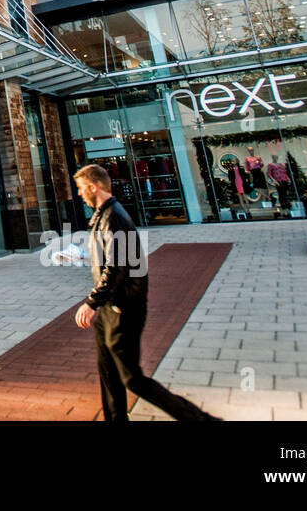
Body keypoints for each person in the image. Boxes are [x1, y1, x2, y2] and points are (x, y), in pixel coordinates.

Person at [72, 164, 220, 422]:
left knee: (132, 378)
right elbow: (110, 259)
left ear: (93, 187)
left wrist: (91, 303)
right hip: (111, 307)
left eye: (82, 188)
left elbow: (116, 268)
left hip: (124, 307)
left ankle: (201, 419)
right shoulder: (102, 215)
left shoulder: (113, 218)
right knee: (109, 374)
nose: (80, 194)